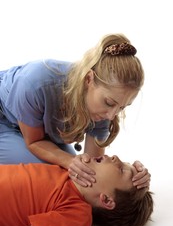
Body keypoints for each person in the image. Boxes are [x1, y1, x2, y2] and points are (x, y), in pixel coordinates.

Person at [0, 33, 150, 188]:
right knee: (59, 178)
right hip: (4, 119)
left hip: (38, 132)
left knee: (79, 176)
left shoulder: (105, 107)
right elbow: (35, 141)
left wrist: (132, 176)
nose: (112, 116)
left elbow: (94, 170)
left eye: (122, 107)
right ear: (88, 79)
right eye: (109, 103)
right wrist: (68, 161)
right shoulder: (34, 83)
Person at [0, 154, 153, 226]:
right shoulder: (70, 169)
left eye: (121, 170)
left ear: (106, 200)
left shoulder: (77, 216)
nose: (116, 157)